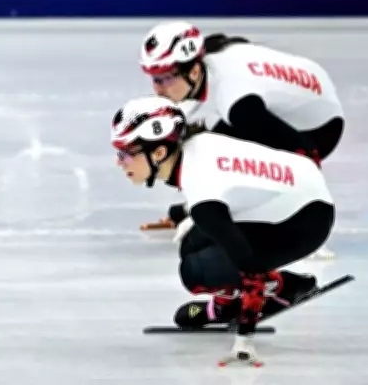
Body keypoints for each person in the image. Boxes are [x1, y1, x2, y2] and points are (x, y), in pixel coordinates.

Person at [111, 95, 335, 361]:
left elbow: (248, 264)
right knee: (193, 243)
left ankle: (281, 286)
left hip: (306, 220)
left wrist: (244, 340)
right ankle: (227, 303)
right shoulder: (196, 145)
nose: (119, 163)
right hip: (296, 191)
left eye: (125, 154)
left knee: (196, 271)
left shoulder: (202, 194)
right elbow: (232, 184)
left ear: (159, 153)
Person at [137, 20, 344, 230]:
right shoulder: (206, 63)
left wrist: (312, 226)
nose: (157, 90)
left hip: (321, 126)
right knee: (204, 148)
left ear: (193, 73)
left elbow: (306, 154)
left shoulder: (236, 99)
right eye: (154, 79)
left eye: (163, 79)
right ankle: (198, 207)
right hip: (302, 93)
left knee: (214, 153)